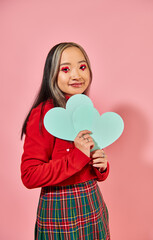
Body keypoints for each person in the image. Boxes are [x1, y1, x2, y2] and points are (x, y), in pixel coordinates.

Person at [20, 42, 110, 240]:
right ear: (52, 74)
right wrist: (78, 156)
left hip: (92, 200)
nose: (76, 75)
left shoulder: (84, 109)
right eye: (66, 69)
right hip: (60, 207)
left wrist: (100, 166)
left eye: (82, 67)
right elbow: (29, 175)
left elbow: (88, 162)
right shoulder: (43, 113)